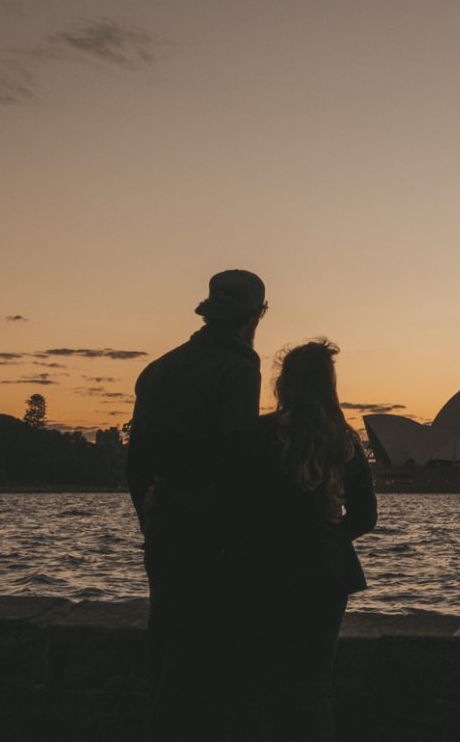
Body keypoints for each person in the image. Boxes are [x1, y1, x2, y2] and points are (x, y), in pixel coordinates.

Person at [127, 269, 267, 739]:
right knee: (205, 652)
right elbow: (239, 462)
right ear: (257, 315)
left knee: (165, 638)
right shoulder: (239, 370)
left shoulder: (157, 370)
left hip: (164, 521)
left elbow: (136, 463)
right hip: (215, 533)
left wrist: (150, 519)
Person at [225, 340, 377, 741]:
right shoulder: (344, 440)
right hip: (326, 571)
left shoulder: (260, 434)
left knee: (260, 682)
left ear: (284, 383)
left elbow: (235, 505)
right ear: (329, 385)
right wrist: (328, 536)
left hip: (265, 568)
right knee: (312, 687)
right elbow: (366, 517)